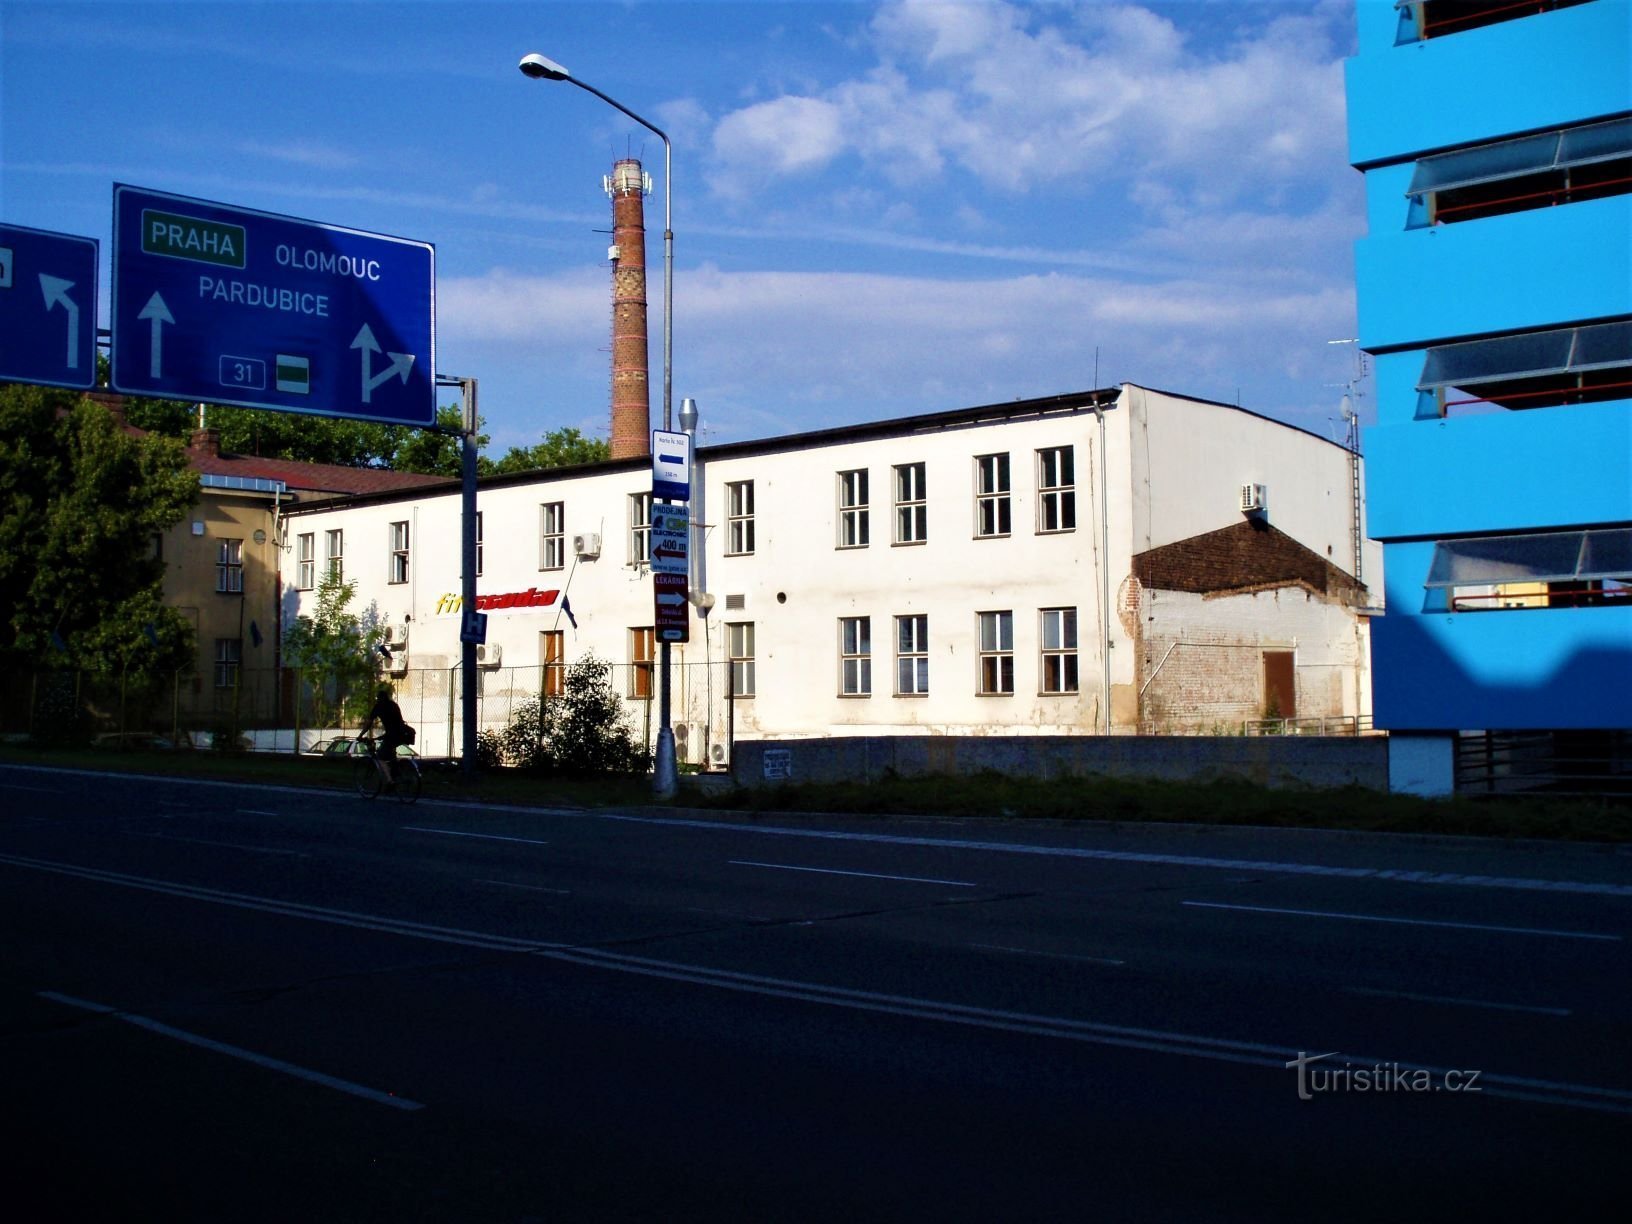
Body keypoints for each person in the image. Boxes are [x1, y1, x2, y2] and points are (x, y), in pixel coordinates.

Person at [362, 686, 409, 787]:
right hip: (402, 733)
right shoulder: (393, 705)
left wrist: (360, 735)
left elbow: (369, 723)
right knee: (391, 755)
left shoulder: (378, 707)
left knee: (380, 757)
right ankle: (396, 772)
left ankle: (390, 781)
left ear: (379, 699)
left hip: (391, 735)